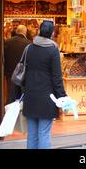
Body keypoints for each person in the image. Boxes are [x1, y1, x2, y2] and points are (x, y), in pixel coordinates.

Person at [22, 21, 67, 149]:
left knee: (32, 134)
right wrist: (62, 96)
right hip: (47, 96)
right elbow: (57, 77)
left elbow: (22, 71)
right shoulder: (53, 50)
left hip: (30, 95)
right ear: (52, 33)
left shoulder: (29, 48)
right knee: (44, 133)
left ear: (39, 31)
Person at [4, 24, 31, 104]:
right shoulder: (29, 44)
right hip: (24, 73)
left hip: (10, 72)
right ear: (25, 32)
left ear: (16, 32)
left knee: (10, 94)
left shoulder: (7, 42)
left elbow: (3, 57)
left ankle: (9, 111)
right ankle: (21, 111)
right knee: (23, 94)